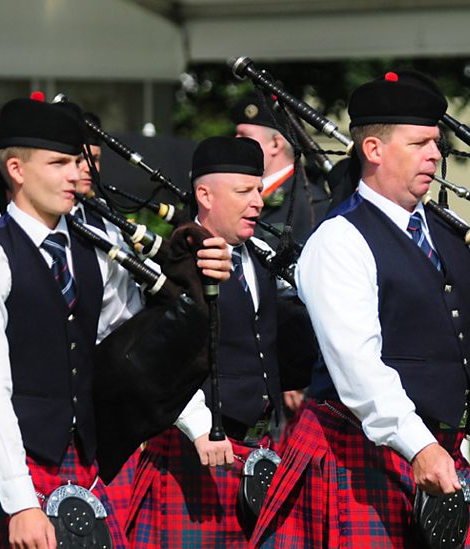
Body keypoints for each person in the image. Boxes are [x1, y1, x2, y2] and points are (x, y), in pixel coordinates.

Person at [251, 70, 470, 548]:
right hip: (359, 456)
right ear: (373, 150)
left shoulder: (448, 240)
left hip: (441, 454)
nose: (436, 155)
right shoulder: (339, 239)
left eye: (436, 143)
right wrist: (417, 444)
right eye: (420, 143)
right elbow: (357, 364)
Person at [0, 96, 231, 549]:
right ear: (17, 170)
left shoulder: (94, 254)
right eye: (59, 162)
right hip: (15, 472)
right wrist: (19, 500)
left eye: (77, 160)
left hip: (84, 466)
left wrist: (197, 418)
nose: (75, 173)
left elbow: (133, 348)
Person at [126, 136, 297, 547]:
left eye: (259, 188)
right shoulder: (175, 261)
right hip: (198, 450)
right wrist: (199, 426)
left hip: (260, 446)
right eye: (243, 191)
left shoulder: (256, 253)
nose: (257, 201)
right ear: (204, 194)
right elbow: (158, 355)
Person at [232, 93, 329, 244]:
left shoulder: (311, 203)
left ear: (276, 144)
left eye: (244, 136)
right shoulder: (230, 195)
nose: (236, 142)